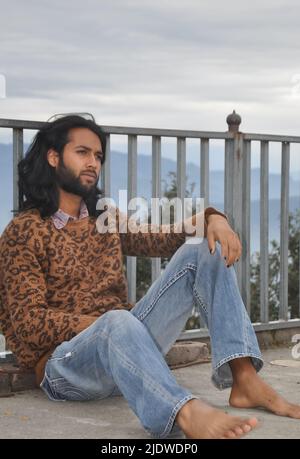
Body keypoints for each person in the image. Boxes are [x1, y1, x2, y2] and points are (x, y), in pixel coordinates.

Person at [0, 115, 299, 440]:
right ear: (54, 157)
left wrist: (214, 219)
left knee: (201, 248)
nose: (93, 163)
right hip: (65, 368)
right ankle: (182, 412)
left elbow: (162, 237)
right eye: (82, 153)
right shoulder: (24, 231)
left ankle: (244, 378)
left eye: (98, 156)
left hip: (126, 348)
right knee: (117, 320)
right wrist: (100, 325)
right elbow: (29, 324)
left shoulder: (104, 217)